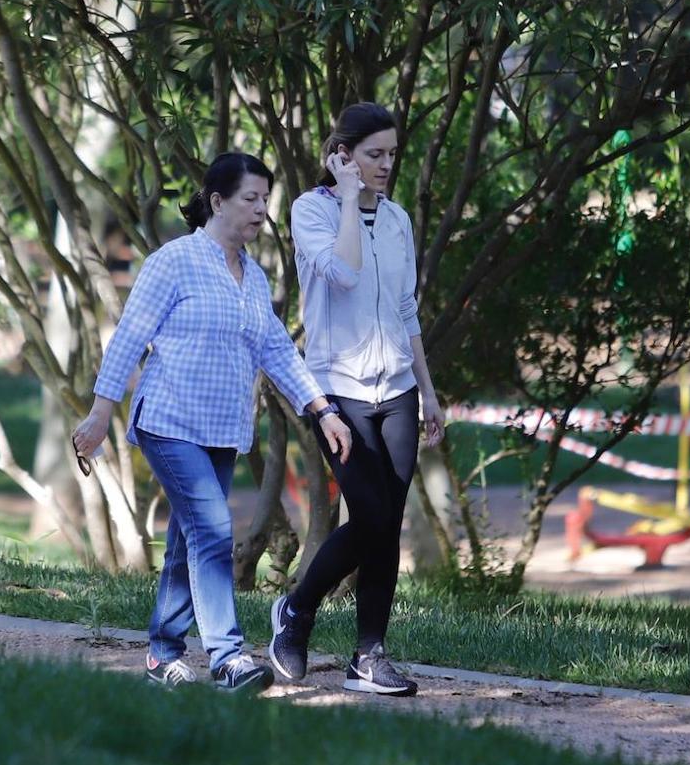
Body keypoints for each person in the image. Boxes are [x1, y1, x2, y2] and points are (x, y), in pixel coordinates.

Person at [72, 152, 352, 694]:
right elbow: (130, 336)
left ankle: (162, 654)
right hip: (170, 419)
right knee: (213, 530)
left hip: (222, 429)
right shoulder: (173, 262)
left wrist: (323, 410)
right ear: (217, 201)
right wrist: (101, 411)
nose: (259, 212)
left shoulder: (252, 277)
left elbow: (277, 350)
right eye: (250, 199)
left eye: (264, 202)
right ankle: (227, 656)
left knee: (188, 540)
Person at [267, 102, 445, 697]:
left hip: (397, 389)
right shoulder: (310, 212)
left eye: (392, 154)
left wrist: (428, 390)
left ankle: (369, 656)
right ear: (341, 157)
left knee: (385, 525)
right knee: (369, 516)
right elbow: (341, 276)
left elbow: (404, 308)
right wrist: (347, 199)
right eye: (374, 155)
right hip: (335, 388)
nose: (386, 165)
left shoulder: (397, 221)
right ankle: (296, 613)